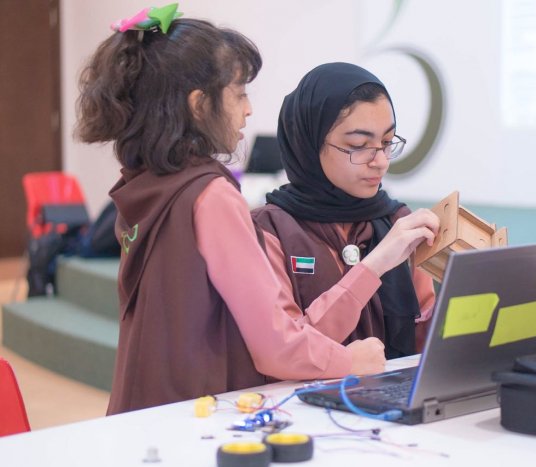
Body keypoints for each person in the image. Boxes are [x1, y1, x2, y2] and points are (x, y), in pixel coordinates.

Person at [75, 9, 385, 414]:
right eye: (239, 93)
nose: (248, 109)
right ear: (199, 105)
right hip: (197, 417)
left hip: (143, 410)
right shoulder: (211, 196)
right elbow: (275, 344)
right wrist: (349, 361)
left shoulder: (143, 185)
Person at [252, 63, 440, 359]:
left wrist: (468, 298)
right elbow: (286, 350)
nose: (381, 161)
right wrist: (374, 266)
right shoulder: (269, 230)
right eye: (359, 145)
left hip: (395, 388)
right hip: (308, 390)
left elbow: (424, 344)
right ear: (309, 143)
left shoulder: (397, 221)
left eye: (387, 142)